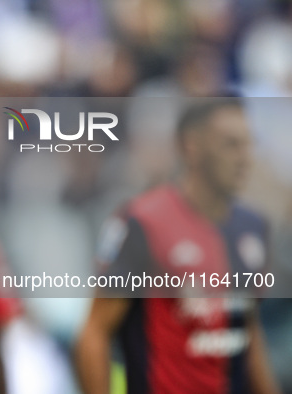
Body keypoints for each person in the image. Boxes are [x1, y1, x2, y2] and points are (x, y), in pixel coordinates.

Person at [75, 98, 282, 393]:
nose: (245, 158)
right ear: (191, 146)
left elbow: (246, 328)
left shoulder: (253, 227)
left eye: (249, 144)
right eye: (231, 145)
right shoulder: (142, 222)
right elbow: (94, 335)